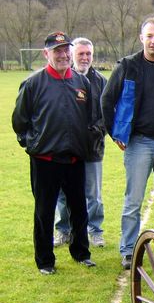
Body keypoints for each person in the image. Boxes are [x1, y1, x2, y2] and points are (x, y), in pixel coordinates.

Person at [102, 16, 154, 270]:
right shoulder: (127, 66)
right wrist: (115, 133)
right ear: (142, 38)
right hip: (138, 143)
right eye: (149, 36)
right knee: (133, 199)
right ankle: (129, 249)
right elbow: (107, 100)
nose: (153, 41)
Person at [12, 32, 98, 274]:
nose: (62, 55)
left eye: (65, 50)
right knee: (44, 211)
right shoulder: (33, 83)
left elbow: (90, 118)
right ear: (46, 53)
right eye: (56, 50)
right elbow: (20, 122)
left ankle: (81, 252)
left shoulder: (82, 83)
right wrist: (33, 143)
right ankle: (45, 261)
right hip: (45, 160)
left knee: (79, 208)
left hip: (74, 158)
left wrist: (85, 142)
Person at [54, 37, 107, 248]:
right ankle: (63, 230)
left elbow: (107, 114)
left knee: (93, 194)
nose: (85, 58)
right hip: (66, 148)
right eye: (81, 54)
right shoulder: (64, 79)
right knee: (63, 193)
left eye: (88, 54)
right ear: (72, 55)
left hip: (92, 148)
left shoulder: (101, 82)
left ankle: (95, 230)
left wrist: (93, 133)